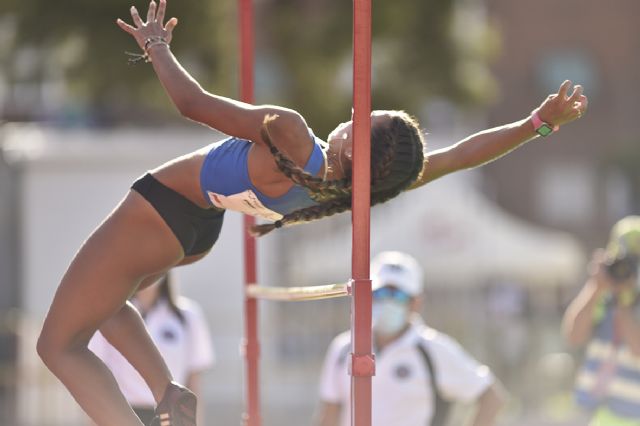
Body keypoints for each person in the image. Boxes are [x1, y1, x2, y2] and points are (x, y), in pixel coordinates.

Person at [34, 0, 587, 424]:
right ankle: (167, 392)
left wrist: (155, 47)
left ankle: (155, 404)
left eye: (365, 116)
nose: (353, 111)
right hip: (195, 233)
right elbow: (456, 158)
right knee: (108, 305)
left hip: (162, 208)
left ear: (357, 147)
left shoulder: (295, 135)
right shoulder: (342, 186)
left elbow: (191, 105)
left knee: (58, 345)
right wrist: (534, 124)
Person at [315, 251, 506, 426]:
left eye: (397, 295)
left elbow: (491, 398)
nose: (387, 301)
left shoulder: (434, 349)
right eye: (380, 293)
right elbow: (329, 413)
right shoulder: (342, 347)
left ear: (416, 302)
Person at [89, 272, 214, 425]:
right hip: (121, 414)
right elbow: (94, 374)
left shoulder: (187, 316)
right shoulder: (109, 314)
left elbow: (194, 379)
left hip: (171, 416)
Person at [563, 216, 640, 426]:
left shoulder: (619, 299)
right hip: (599, 413)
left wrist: (624, 301)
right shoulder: (603, 294)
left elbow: (637, 348)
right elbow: (573, 335)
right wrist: (596, 286)